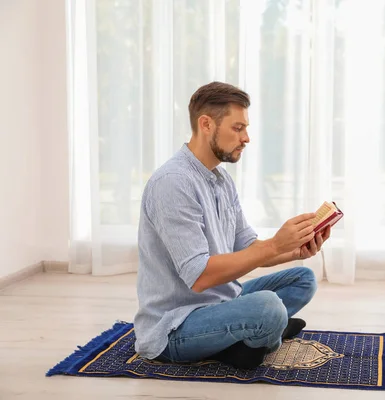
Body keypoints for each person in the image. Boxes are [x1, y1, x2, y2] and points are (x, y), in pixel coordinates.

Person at [133, 81, 331, 369]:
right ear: (206, 125)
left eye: (246, 128)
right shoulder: (172, 183)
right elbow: (199, 276)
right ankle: (258, 336)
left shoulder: (222, 180)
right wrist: (275, 244)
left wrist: (294, 249)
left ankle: (249, 337)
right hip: (175, 327)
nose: (247, 138)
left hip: (219, 304)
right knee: (268, 307)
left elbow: (248, 248)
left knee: (303, 278)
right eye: (238, 128)